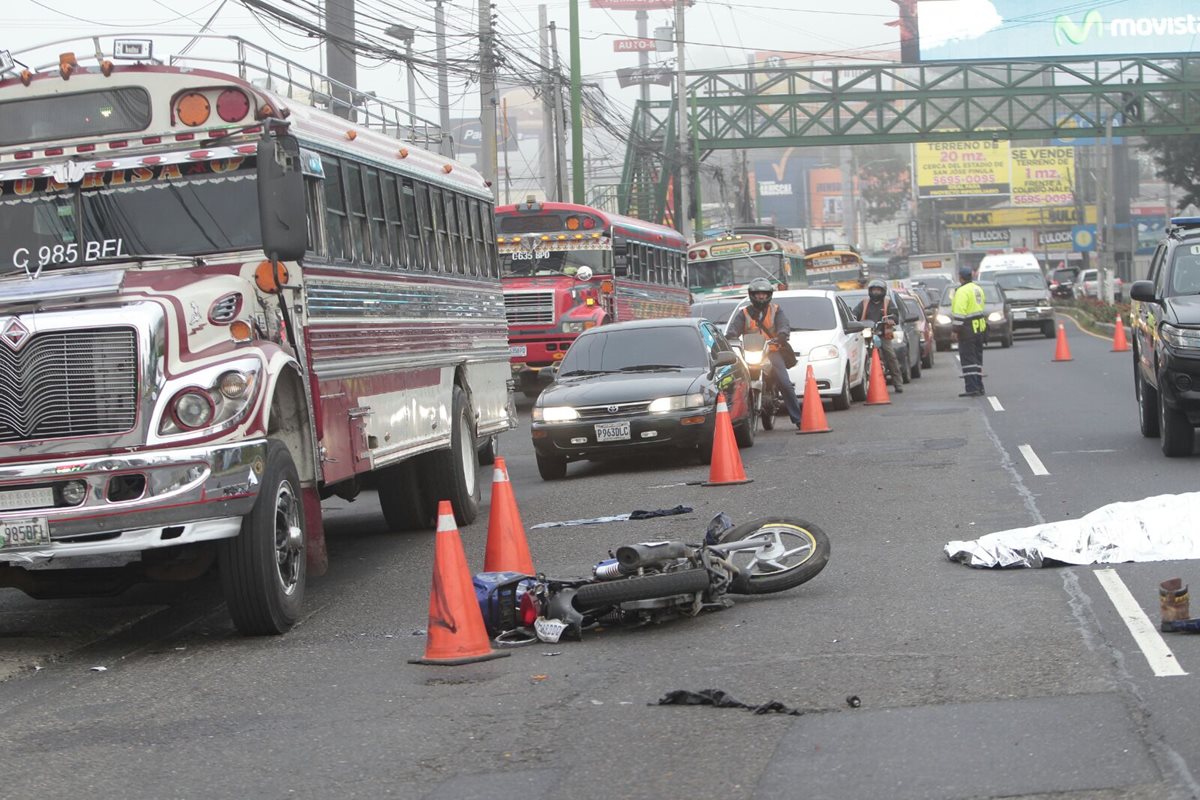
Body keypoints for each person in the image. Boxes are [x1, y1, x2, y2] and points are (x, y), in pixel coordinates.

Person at [725, 277, 804, 430]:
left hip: (772, 351)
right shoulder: (744, 313)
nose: (761, 297)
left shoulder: (776, 310)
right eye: (757, 294)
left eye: (764, 294)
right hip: (751, 352)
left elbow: (783, 324)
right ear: (751, 295)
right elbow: (734, 329)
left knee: (785, 384)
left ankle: (798, 418)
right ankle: (736, 420)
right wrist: (730, 337)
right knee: (736, 382)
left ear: (769, 295)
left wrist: (782, 335)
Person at [853, 279, 903, 393]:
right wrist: (854, 318)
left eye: (878, 290)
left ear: (883, 291)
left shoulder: (888, 302)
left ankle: (898, 382)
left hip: (883, 334)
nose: (876, 293)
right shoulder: (864, 303)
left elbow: (895, 316)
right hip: (867, 334)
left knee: (891, 355)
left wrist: (891, 320)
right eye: (874, 290)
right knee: (861, 354)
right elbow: (855, 313)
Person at [952, 265, 987, 397]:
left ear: (960, 277)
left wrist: (955, 330)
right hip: (979, 328)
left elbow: (960, 313)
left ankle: (972, 388)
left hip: (967, 330)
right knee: (977, 359)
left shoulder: (961, 291)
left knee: (968, 359)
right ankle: (979, 386)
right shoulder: (978, 289)